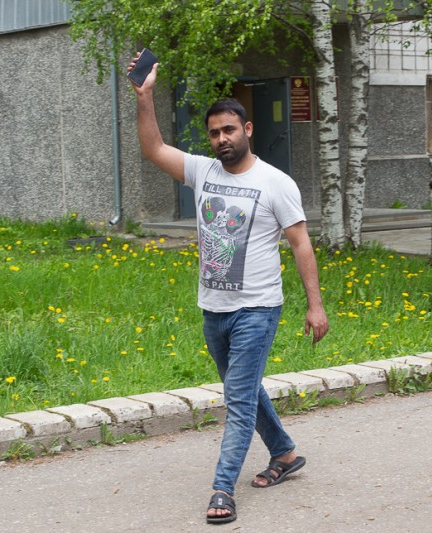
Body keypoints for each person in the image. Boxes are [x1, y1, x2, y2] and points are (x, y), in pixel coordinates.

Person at [127, 53, 329, 524]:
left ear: (248, 130)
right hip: (213, 307)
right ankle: (284, 452)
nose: (222, 138)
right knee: (244, 390)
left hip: (258, 308)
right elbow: (153, 148)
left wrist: (315, 306)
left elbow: (301, 243)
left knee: (237, 400)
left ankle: (222, 489)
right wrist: (145, 96)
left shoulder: (275, 183)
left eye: (229, 130)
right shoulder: (202, 171)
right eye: (215, 132)